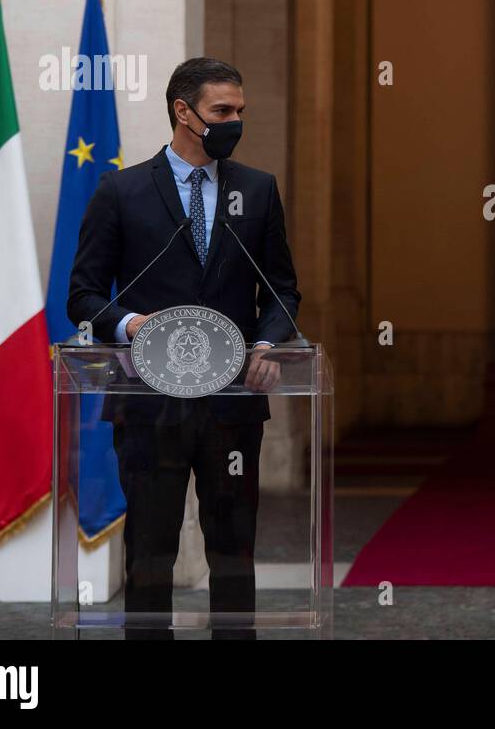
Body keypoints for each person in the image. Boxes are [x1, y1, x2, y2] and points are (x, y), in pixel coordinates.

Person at [68, 57, 301, 639]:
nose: (234, 121)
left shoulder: (257, 189)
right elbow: (84, 295)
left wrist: (268, 342)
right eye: (223, 111)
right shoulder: (121, 191)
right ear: (183, 112)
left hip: (233, 404)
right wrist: (130, 325)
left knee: (233, 550)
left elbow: (282, 289)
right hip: (149, 402)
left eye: (240, 111)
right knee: (150, 550)